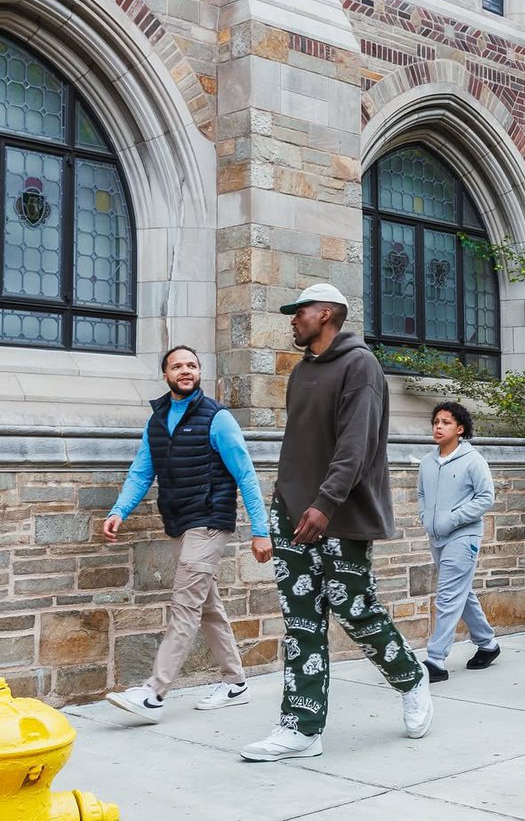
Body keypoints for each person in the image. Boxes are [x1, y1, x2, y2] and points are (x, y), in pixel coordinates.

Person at [241, 284, 432, 762]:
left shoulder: (360, 365)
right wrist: (282, 505)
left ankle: (410, 677)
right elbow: (299, 445)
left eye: (299, 311)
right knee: (301, 620)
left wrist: (325, 503)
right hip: (291, 510)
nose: (292, 319)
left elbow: (356, 444)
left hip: (338, 514)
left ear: (326, 313)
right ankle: (301, 729)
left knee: (355, 609)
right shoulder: (302, 372)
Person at [103, 346, 272, 721]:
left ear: (199, 372)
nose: (185, 370)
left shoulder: (218, 418)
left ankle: (153, 692)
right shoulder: (158, 419)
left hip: (209, 522)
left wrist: (261, 531)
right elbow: (141, 472)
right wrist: (119, 511)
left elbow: (245, 474)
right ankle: (235, 682)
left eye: (192, 365)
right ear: (165, 374)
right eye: (177, 366)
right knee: (206, 605)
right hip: (179, 523)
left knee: (184, 604)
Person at [419, 401, 499, 682]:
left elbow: (486, 497)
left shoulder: (473, 460)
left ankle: (436, 660)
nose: (438, 427)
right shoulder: (428, 462)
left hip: (463, 536)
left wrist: (453, 518)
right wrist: (426, 517)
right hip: (436, 537)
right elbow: (422, 495)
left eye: (446, 423)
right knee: (460, 592)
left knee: (448, 595)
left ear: (460, 429)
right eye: (436, 422)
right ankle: (487, 644)